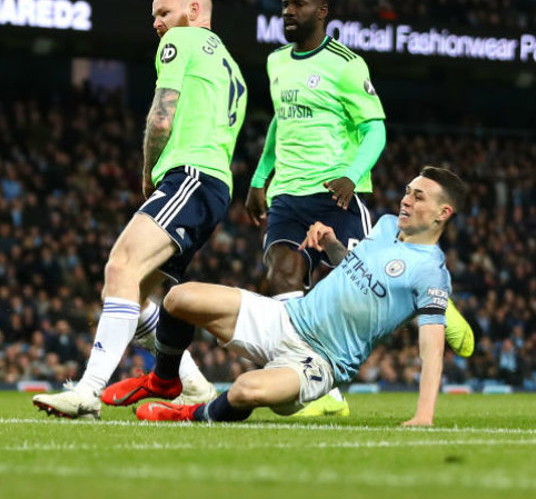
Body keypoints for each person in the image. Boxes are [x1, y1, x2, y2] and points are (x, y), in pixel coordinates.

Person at [244, 0, 473, 416]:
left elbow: (375, 129)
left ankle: (437, 305)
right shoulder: (276, 62)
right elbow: (279, 121)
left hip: (336, 194)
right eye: (285, 4)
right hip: (287, 192)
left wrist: (351, 175)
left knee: (366, 288)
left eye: (298, 5)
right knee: (282, 275)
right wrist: (259, 177)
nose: (288, 11)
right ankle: (320, 388)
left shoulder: (347, 65)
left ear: (321, 12)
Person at [32, 0, 247, 419]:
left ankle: (87, 392)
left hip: (190, 175)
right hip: (213, 183)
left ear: (193, 10)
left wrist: (148, 171)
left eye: (163, 12)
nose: (156, 23)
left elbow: (162, 116)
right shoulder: (232, 67)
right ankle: (195, 385)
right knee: (138, 291)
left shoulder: (180, 41)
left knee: (121, 265)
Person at [127, 167, 466, 427]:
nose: (406, 200)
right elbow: (356, 269)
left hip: (320, 360)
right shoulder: (387, 225)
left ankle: (193, 415)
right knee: (179, 298)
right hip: (287, 317)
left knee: (245, 389)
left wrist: (424, 415)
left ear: (443, 213)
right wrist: (331, 243)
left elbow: (432, 348)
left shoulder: (430, 271)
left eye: (419, 197)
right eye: (407, 192)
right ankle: (165, 380)